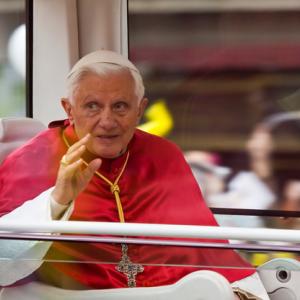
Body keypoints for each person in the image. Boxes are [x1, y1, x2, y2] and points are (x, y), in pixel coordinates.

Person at [0, 50, 269, 299]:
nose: (107, 121)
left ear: (140, 109)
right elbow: (4, 265)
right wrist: (58, 200)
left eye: (120, 106)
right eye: (92, 106)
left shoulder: (162, 155)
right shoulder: (32, 161)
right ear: (68, 109)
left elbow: (205, 251)